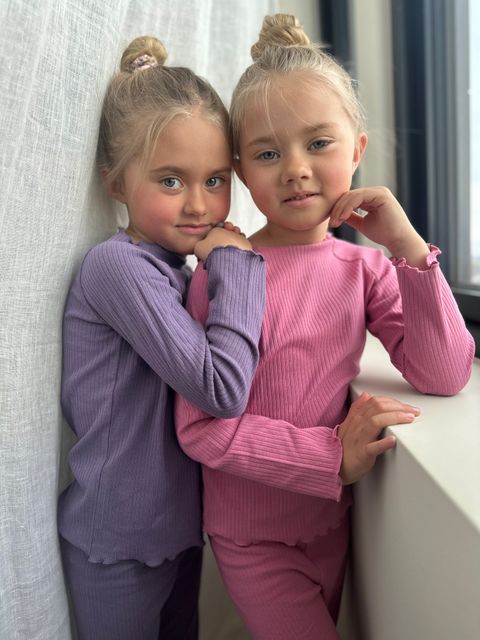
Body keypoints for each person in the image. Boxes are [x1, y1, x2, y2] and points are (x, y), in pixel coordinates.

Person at [175, 14, 475, 640]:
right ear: (241, 170)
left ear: (357, 150)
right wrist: (329, 456)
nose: (294, 169)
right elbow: (200, 428)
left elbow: (445, 373)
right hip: (252, 536)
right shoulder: (225, 271)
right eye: (267, 153)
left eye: (318, 143)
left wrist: (408, 247)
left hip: (331, 522)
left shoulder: (365, 268)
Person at [57, 35, 266, 640]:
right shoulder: (119, 268)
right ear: (116, 183)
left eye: (215, 179)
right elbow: (222, 388)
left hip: (176, 529)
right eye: (171, 181)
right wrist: (237, 263)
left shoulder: (178, 268)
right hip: (119, 539)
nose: (199, 205)